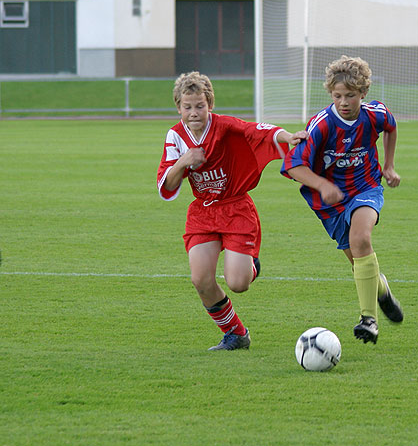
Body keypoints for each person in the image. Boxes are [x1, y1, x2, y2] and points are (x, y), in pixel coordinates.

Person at [157, 71, 307, 351]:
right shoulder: (175, 136)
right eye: (187, 107)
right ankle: (236, 334)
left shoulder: (224, 126)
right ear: (178, 107)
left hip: (235, 207)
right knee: (200, 280)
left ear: (210, 103)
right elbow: (166, 186)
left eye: (199, 106)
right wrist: (184, 162)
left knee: (238, 283)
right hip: (202, 212)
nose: (193, 113)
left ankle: (250, 265)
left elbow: (258, 130)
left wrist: (289, 136)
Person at [281, 55, 404, 344]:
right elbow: (293, 166)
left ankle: (368, 319)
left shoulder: (374, 114)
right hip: (330, 202)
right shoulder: (321, 125)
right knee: (358, 262)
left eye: (350, 96)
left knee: (362, 239)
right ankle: (382, 291)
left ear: (363, 93)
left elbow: (391, 126)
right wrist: (322, 184)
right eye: (337, 96)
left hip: (366, 188)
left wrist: (389, 166)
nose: (344, 102)